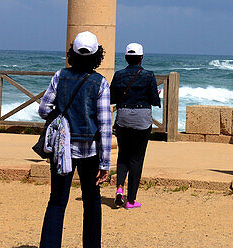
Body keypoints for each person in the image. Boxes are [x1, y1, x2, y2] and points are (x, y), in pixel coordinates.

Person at [38, 31, 112, 248]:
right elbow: (105, 125)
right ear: (97, 55)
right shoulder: (100, 82)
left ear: (72, 53)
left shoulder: (60, 76)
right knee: (92, 200)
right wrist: (105, 163)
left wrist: (60, 119)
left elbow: (43, 109)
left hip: (62, 150)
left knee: (57, 201)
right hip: (90, 150)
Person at [110, 42, 161, 209]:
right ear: (141, 58)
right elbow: (154, 100)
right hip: (142, 120)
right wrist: (156, 95)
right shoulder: (149, 75)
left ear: (126, 57)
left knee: (123, 155)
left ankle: (119, 189)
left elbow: (111, 99)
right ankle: (131, 200)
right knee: (137, 158)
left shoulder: (118, 75)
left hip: (123, 117)